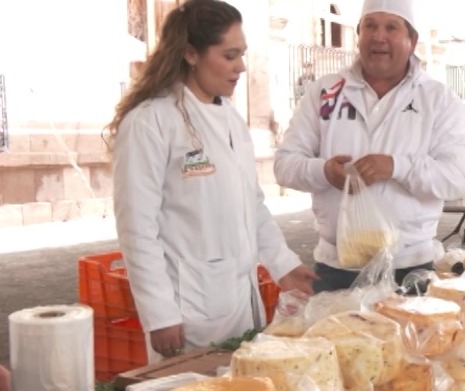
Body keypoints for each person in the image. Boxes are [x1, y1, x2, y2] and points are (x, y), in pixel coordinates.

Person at [107, 0, 317, 362]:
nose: (241, 66)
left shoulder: (231, 119)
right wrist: (160, 313)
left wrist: (283, 265)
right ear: (191, 54)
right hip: (186, 310)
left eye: (242, 54)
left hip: (237, 299)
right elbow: (137, 228)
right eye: (230, 55)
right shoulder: (150, 122)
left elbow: (252, 204)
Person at [273, 0, 465, 292]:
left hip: (409, 270)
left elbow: (457, 179)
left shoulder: (438, 101)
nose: (379, 36)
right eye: (370, 26)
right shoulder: (326, 93)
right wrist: (324, 172)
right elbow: (284, 165)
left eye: (391, 27)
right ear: (359, 35)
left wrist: (397, 166)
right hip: (337, 270)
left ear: (412, 40)